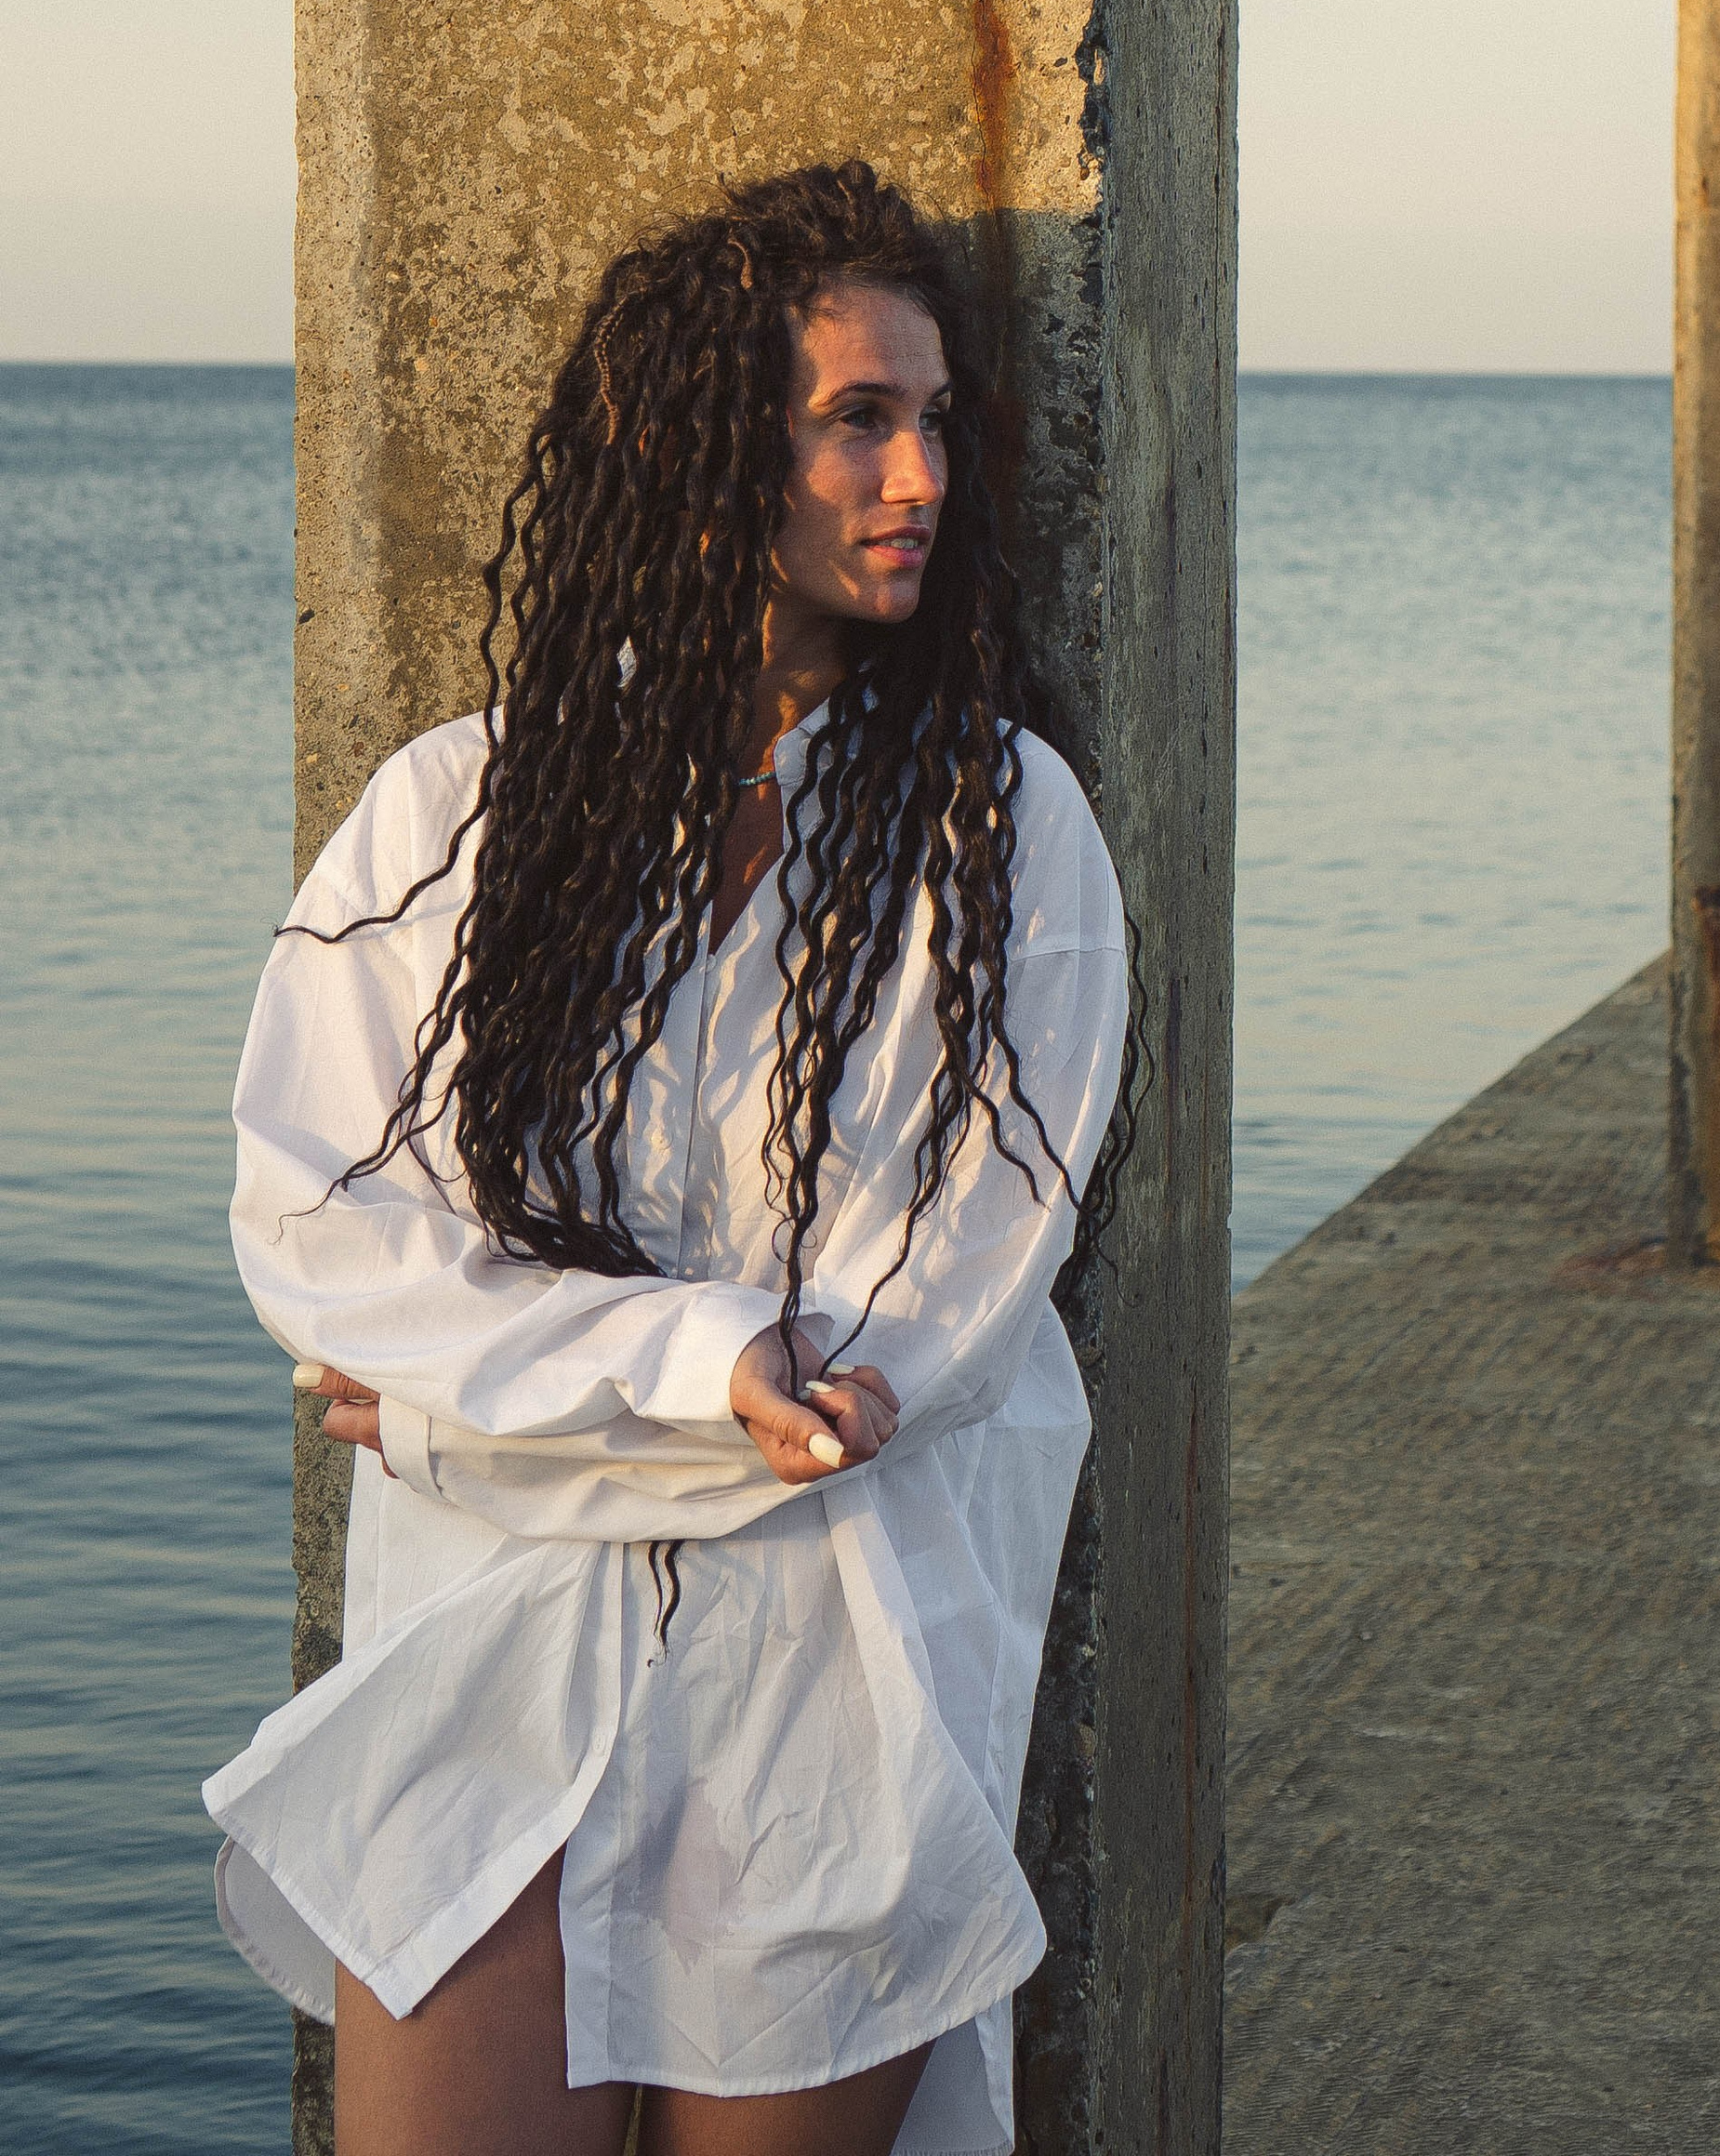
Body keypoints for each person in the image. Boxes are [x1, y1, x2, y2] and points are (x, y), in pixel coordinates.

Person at [204, 165, 1134, 2156]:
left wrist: (464, 1420)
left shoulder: (1001, 841)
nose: (918, 476)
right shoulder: (455, 816)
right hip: (491, 1674)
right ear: (710, 456)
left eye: (938, 418)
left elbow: (913, 1350)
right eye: (856, 419)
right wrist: (697, 1367)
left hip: (829, 1693)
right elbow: (320, 1226)